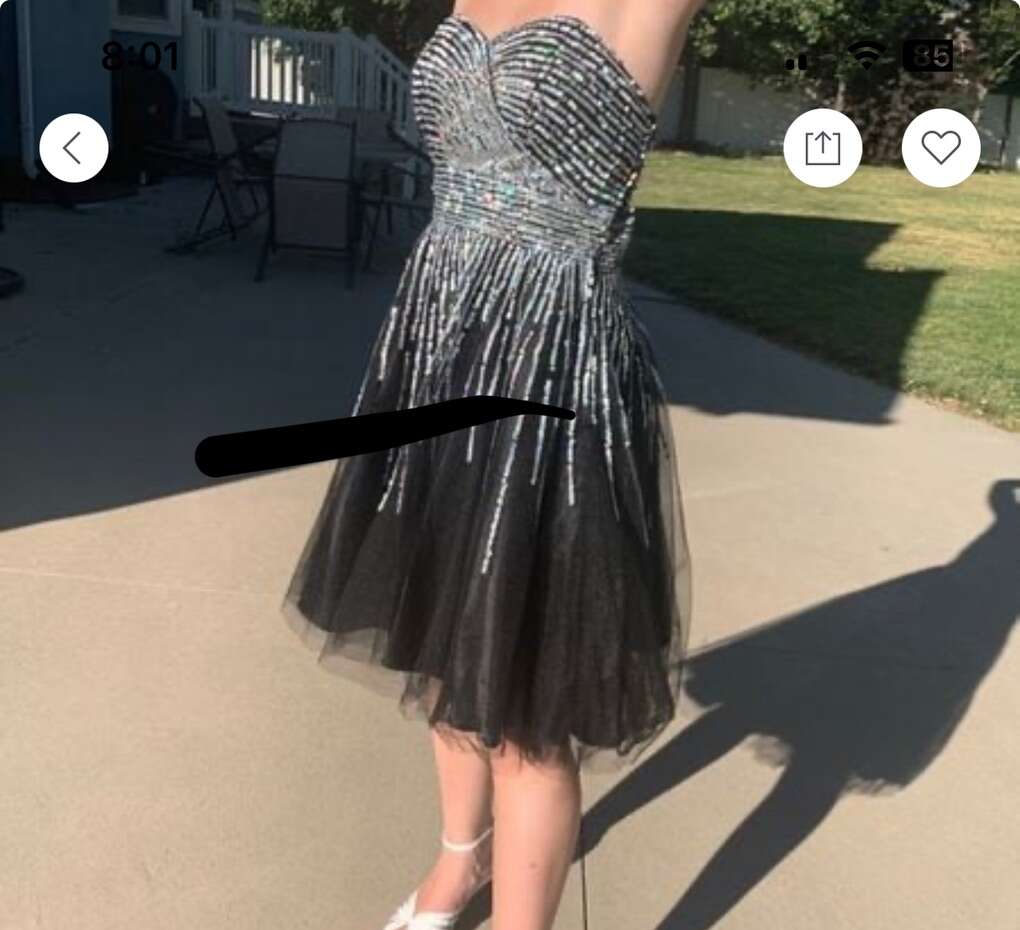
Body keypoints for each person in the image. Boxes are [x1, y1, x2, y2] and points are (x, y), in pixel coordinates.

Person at [281, 2, 705, 927]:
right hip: (437, 340)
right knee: (444, 638)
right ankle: (458, 863)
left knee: (524, 707)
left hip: (549, 367)